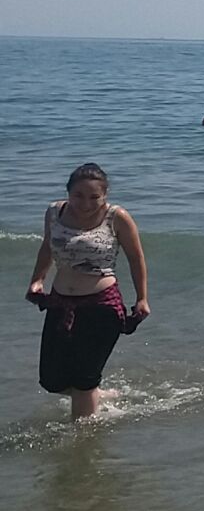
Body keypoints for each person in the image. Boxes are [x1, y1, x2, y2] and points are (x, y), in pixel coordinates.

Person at [25, 164, 151, 419]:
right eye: (78, 195)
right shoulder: (54, 212)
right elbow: (47, 247)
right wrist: (37, 279)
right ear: (68, 192)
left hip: (101, 306)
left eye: (94, 197)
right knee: (51, 380)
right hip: (60, 302)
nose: (86, 203)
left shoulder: (117, 217)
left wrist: (142, 298)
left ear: (105, 195)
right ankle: (94, 394)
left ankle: (83, 435)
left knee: (84, 379)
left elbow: (136, 258)